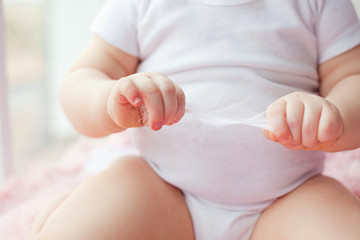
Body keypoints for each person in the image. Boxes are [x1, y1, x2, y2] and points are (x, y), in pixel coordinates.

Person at [30, 0, 360, 239]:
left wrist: (335, 115)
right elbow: (83, 78)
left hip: (291, 197)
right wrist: (109, 100)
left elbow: (352, 78)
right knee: (87, 222)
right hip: (161, 190)